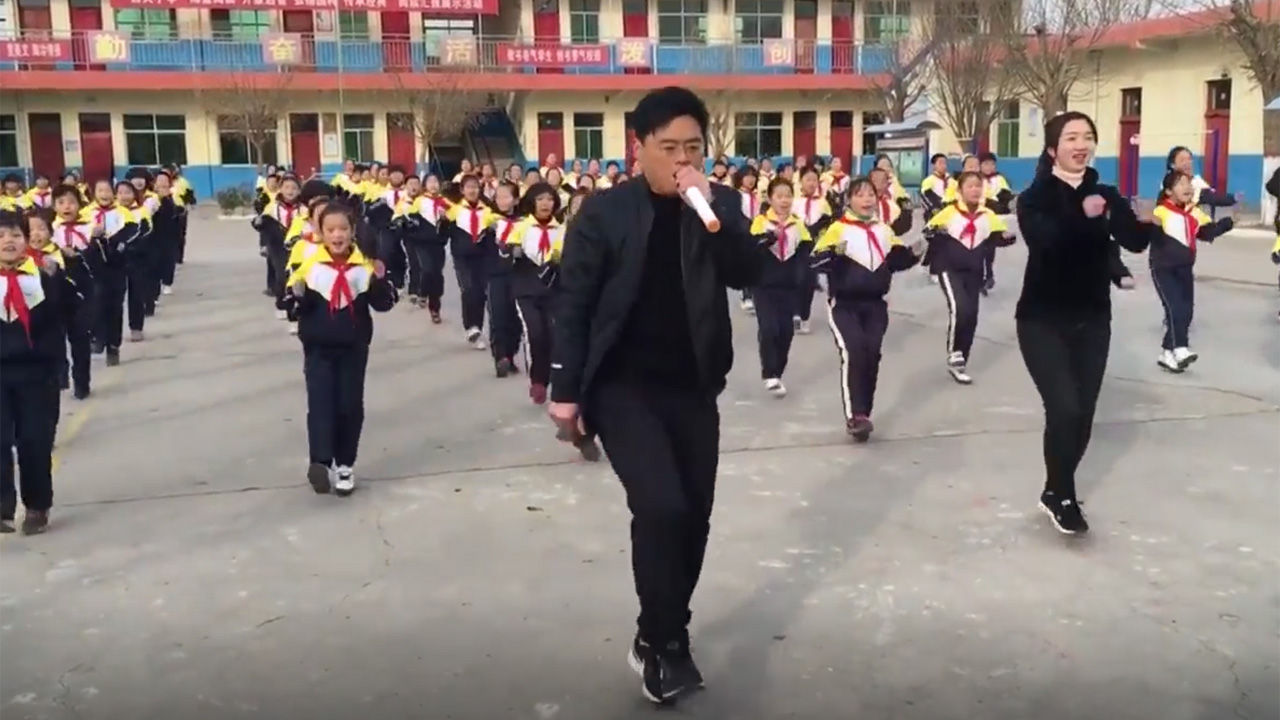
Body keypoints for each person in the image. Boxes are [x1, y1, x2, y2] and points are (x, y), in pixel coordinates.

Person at [548, 87, 773, 704]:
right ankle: (665, 643)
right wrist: (566, 391)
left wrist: (715, 216)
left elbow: (748, 272)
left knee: (694, 518)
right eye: (667, 147)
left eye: (692, 147)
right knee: (661, 506)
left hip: (694, 384)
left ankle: (663, 636)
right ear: (639, 147)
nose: (680, 159)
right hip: (622, 385)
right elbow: (574, 303)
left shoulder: (718, 202)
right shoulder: (604, 214)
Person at [1015, 111, 1156, 535]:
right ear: (1053, 148)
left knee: (1084, 414)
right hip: (1042, 319)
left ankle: (1054, 489)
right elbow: (1048, 242)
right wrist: (1085, 214)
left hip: (1093, 318)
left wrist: (1147, 218)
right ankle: (1065, 495)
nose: (1081, 144)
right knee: (1064, 407)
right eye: (1072, 137)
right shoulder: (1034, 196)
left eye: (1088, 137)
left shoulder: (1106, 193)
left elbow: (1132, 240)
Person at [282, 200, 396, 497]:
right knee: (320, 405)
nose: (337, 235)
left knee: (349, 406)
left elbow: (383, 304)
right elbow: (293, 307)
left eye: (343, 229)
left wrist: (381, 278)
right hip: (318, 347)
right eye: (330, 229)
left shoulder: (364, 267)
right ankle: (320, 462)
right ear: (320, 232)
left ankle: (345, 464)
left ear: (352, 231)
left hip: (353, 347)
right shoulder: (311, 267)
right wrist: (296, 297)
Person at [812, 177, 925, 441]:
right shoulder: (837, 229)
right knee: (854, 352)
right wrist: (834, 253)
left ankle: (864, 413)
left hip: (875, 305)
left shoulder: (883, 230)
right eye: (860, 195)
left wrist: (917, 252)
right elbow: (816, 262)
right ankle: (855, 416)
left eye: (871, 195)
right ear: (849, 200)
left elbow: (897, 260)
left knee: (872, 354)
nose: (867, 200)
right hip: (845, 305)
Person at [0, 213, 90, 534]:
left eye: (14, 235)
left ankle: (37, 506)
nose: (8, 241)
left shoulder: (45, 275)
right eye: (0, 236)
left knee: (34, 441)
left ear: (26, 240)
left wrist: (70, 268)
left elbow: (77, 304)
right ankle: (2, 508)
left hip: (38, 373)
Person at [924, 171, 1015, 385]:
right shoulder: (949, 213)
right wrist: (938, 232)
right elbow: (927, 232)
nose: (975, 190)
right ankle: (954, 355)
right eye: (970, 186)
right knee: (960, 308)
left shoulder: (988, 215)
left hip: (974, 271)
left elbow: (997, 238)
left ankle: (962, 358)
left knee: (972, 315)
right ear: (960, 191)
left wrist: (1007, 238)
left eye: (978, 186)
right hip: (948, 268)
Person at [1149, 170, 1234, 372]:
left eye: (1188, 183)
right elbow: (1151, 234)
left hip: (1185, 269)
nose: (1186, 187)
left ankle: (1167, 353)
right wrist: (1151, 226)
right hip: (1163, 269)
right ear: (1169, 191)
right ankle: (1180, 347)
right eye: (1180, 184)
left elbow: (1207, 232)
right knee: (1175, 308)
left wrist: (1227, 224)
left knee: (1186, 312)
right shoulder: (1161, 211)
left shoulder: (1194, 212)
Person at [748, 177, 812, 397]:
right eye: (779, 196)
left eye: (788, 195)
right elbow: (751, 247)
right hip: (764, 284)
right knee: (769, 328)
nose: (784, 201)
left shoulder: (798, 224)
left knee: (785, 332)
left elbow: (806, 252)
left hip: (789, 285)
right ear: (771, 199)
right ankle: (769, 373)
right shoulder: (761, 222)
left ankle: (778, 372)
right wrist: (768, 238)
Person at [87, 180, 141, 366]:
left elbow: (133, 231)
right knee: (96, 302)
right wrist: (93, 236)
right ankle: (98, 338)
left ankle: (113, 346)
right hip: (95, 267)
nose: (104, 193)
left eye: (108, 190)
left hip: (117, 267)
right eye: (100, 190)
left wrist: (115, 243)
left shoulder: (122, 213)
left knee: (115, 307)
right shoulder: (87, 213)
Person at [443, 175, 498, 350]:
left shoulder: (488, 210)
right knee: (468, 289)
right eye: (469, 187)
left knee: (481, 292)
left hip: (483, 257)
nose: (473, 190)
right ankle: (470, 326)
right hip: (462, 257)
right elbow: (443, 233)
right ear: (462, 190)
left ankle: (477, 328)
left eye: (475, 187)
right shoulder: (454, 211)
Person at [393, 173, 449, 323]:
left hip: (438, 244)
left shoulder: (445, 202)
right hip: (421, 243)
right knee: (428, 269)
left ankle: (435, 308)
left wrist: (445, 219)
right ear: (425, 185)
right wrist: (405, 224)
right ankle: (423, 294)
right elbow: (406, 217)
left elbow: (453, 222)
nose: (433, 184)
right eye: (430, 181)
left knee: (437, 275)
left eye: (436, 181)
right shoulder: (419, 201)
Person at [483, 181, 523, 376]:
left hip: (518, 275)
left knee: (515, 320)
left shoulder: (524, 222)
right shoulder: (488, 221)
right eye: (498, 196)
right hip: (495, 274)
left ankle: (511, 353)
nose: (501, 200)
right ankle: (500, 357)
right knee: (498, 315)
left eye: (506, 196)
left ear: (515, 200)